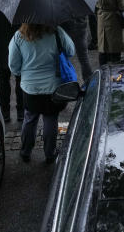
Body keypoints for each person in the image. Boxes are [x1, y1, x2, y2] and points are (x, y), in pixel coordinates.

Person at [8, 22, 75, 163]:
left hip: (30, 88)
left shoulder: (19, 36)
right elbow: (70, 51)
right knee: (51, 119)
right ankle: (50, 154)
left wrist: (25, 73)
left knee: (30, 119)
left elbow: (13, 66)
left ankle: (25, 151)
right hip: (53, 87)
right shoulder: (56, 32)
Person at [95, 0, 124, 65]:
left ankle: (103, 69)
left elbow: (96, 4)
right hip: (114, 20)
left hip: (101, 18)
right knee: (114, 48)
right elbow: (123, 6)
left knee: (103, 46)